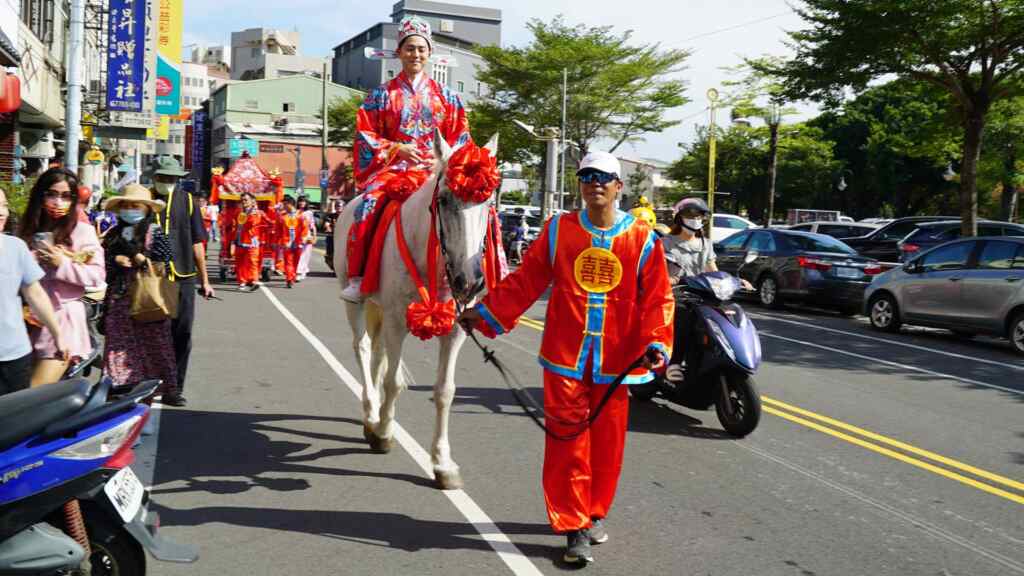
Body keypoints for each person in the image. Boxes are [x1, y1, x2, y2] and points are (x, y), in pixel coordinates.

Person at [458, 151, 674, 565]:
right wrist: (484, 313)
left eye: (604, 178)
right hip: (566, 357)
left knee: (607, 446)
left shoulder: (643, 239)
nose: (595, 184)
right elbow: (526, 281)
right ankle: (572, 525)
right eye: (587, 176)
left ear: (618, 186)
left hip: (617, 361)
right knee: (567, 443)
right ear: (580, 183)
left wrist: (657, 341)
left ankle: (594, 513)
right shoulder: (559, 230)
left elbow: (658, 298)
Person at [341, 15, 472, 303]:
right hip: (394, 170)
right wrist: (395, 149)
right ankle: (358, 276)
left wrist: (443, 162)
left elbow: (461, 137)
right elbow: (365, 134)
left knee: (468, 211)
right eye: (410, 48)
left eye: (421, 49)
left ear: (429, 53)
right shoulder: (380, 96)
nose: (416, 54)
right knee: (368, 206)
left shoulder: (449, 97)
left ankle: (470, 274)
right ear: (399, 51)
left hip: (434, 172)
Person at [17, 168, 106, 387]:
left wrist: (62, 264)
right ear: (40, 195)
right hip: (25, 320)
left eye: (66, 196)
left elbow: (97, 275)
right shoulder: (26, 229)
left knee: (31, 396)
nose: (58, 202)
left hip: (64, 320)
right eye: (52, 194)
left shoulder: (82, 231)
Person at [100, 184, 177, 398]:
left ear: (146, 209)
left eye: (136, 206)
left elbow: (165, 262)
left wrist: (139, 258)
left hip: (147, 300)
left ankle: (152, 391)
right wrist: (115, 260)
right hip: (118, 300)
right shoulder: (113, 234)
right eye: (126, 206)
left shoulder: (155, 233)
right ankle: (118, 388)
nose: (130, 209)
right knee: (117, 347)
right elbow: (102, 265)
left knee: (153, 347)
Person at [149, 156, 214, 406]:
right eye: (163, 178)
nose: (168, 183)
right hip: (151, 278)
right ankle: (148, 384)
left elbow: (198, 242)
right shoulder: (143, 199)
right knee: (153, 333)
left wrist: (204, 280)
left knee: (182, 333)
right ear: (154, 178)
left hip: (183, 275)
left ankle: (173, 388)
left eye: (172, 179)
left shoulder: (187, 201)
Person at [0, 186, 67, 395]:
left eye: (3, 206)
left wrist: (58, 334)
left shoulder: (15, 247)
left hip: (13, 356)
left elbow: (35, 293)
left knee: (11, 422)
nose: (2, 212)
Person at [274, 196, 309, 288]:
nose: (284, 206)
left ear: (290, 204)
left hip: (298, 243)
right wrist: (276, 242)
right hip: (287, 243)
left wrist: (303, 238)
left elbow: (305, 228)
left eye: (285, 204)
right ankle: (289, 279)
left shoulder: (301, 215)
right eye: (283, 204)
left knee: (295, 263)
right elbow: (278, 230)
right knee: (288, 262)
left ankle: (292, 277)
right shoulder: (282, 216)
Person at [234, 192, 265, 293]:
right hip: (239, 240)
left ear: (252, 201)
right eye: (242, 200)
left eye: (246, 200)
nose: (243, 202)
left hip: (252, 241)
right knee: (240, 263)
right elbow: (235, 224)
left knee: (253, 262)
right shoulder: (238, 211)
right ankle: (241, 282)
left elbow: (253, 223)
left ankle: (254, 280)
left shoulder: (256, 213)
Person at [295, 196, 316, 281]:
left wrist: (314, 236)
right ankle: (299, 271)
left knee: (305, 254)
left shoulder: (309, 213)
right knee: (299, 254)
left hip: (306, 235)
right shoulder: (296, 212)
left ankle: (301, 272)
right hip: (296, 235)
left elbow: (312, 225)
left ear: (306, 203)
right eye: (300, 201)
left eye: (303, 201)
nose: (302, 203)